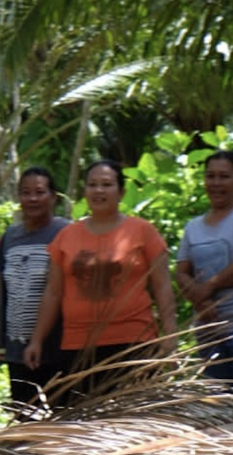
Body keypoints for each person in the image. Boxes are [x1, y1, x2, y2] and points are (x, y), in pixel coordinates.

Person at [24, 159, 177, 400]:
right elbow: (53, 293)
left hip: (134, 342)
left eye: (106, 184)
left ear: (121, 192)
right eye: (92, 185)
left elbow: (162, 286)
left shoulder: (143, 231)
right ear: (84, 191)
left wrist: (170, 337)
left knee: (135, 421)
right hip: (77, 345)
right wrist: (36, 340)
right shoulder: (66, 236)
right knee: (85, 424)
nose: (98, 190)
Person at [0, 167, 69, 418]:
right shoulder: (10, 236)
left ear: (53, 197)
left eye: (40, 192)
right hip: (16, 348)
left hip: (58, 347)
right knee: (25, 419)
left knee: (60, 420)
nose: (32, 199)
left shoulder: (66, 232)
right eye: (26, 193)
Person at [176, 150, 233, 382]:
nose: (216, 183)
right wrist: (200, 300)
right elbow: (180, 271)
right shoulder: (193, 227)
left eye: (224, 176)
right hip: (208, 331)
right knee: (218, 406)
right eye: (211, 176)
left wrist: (207, 288)